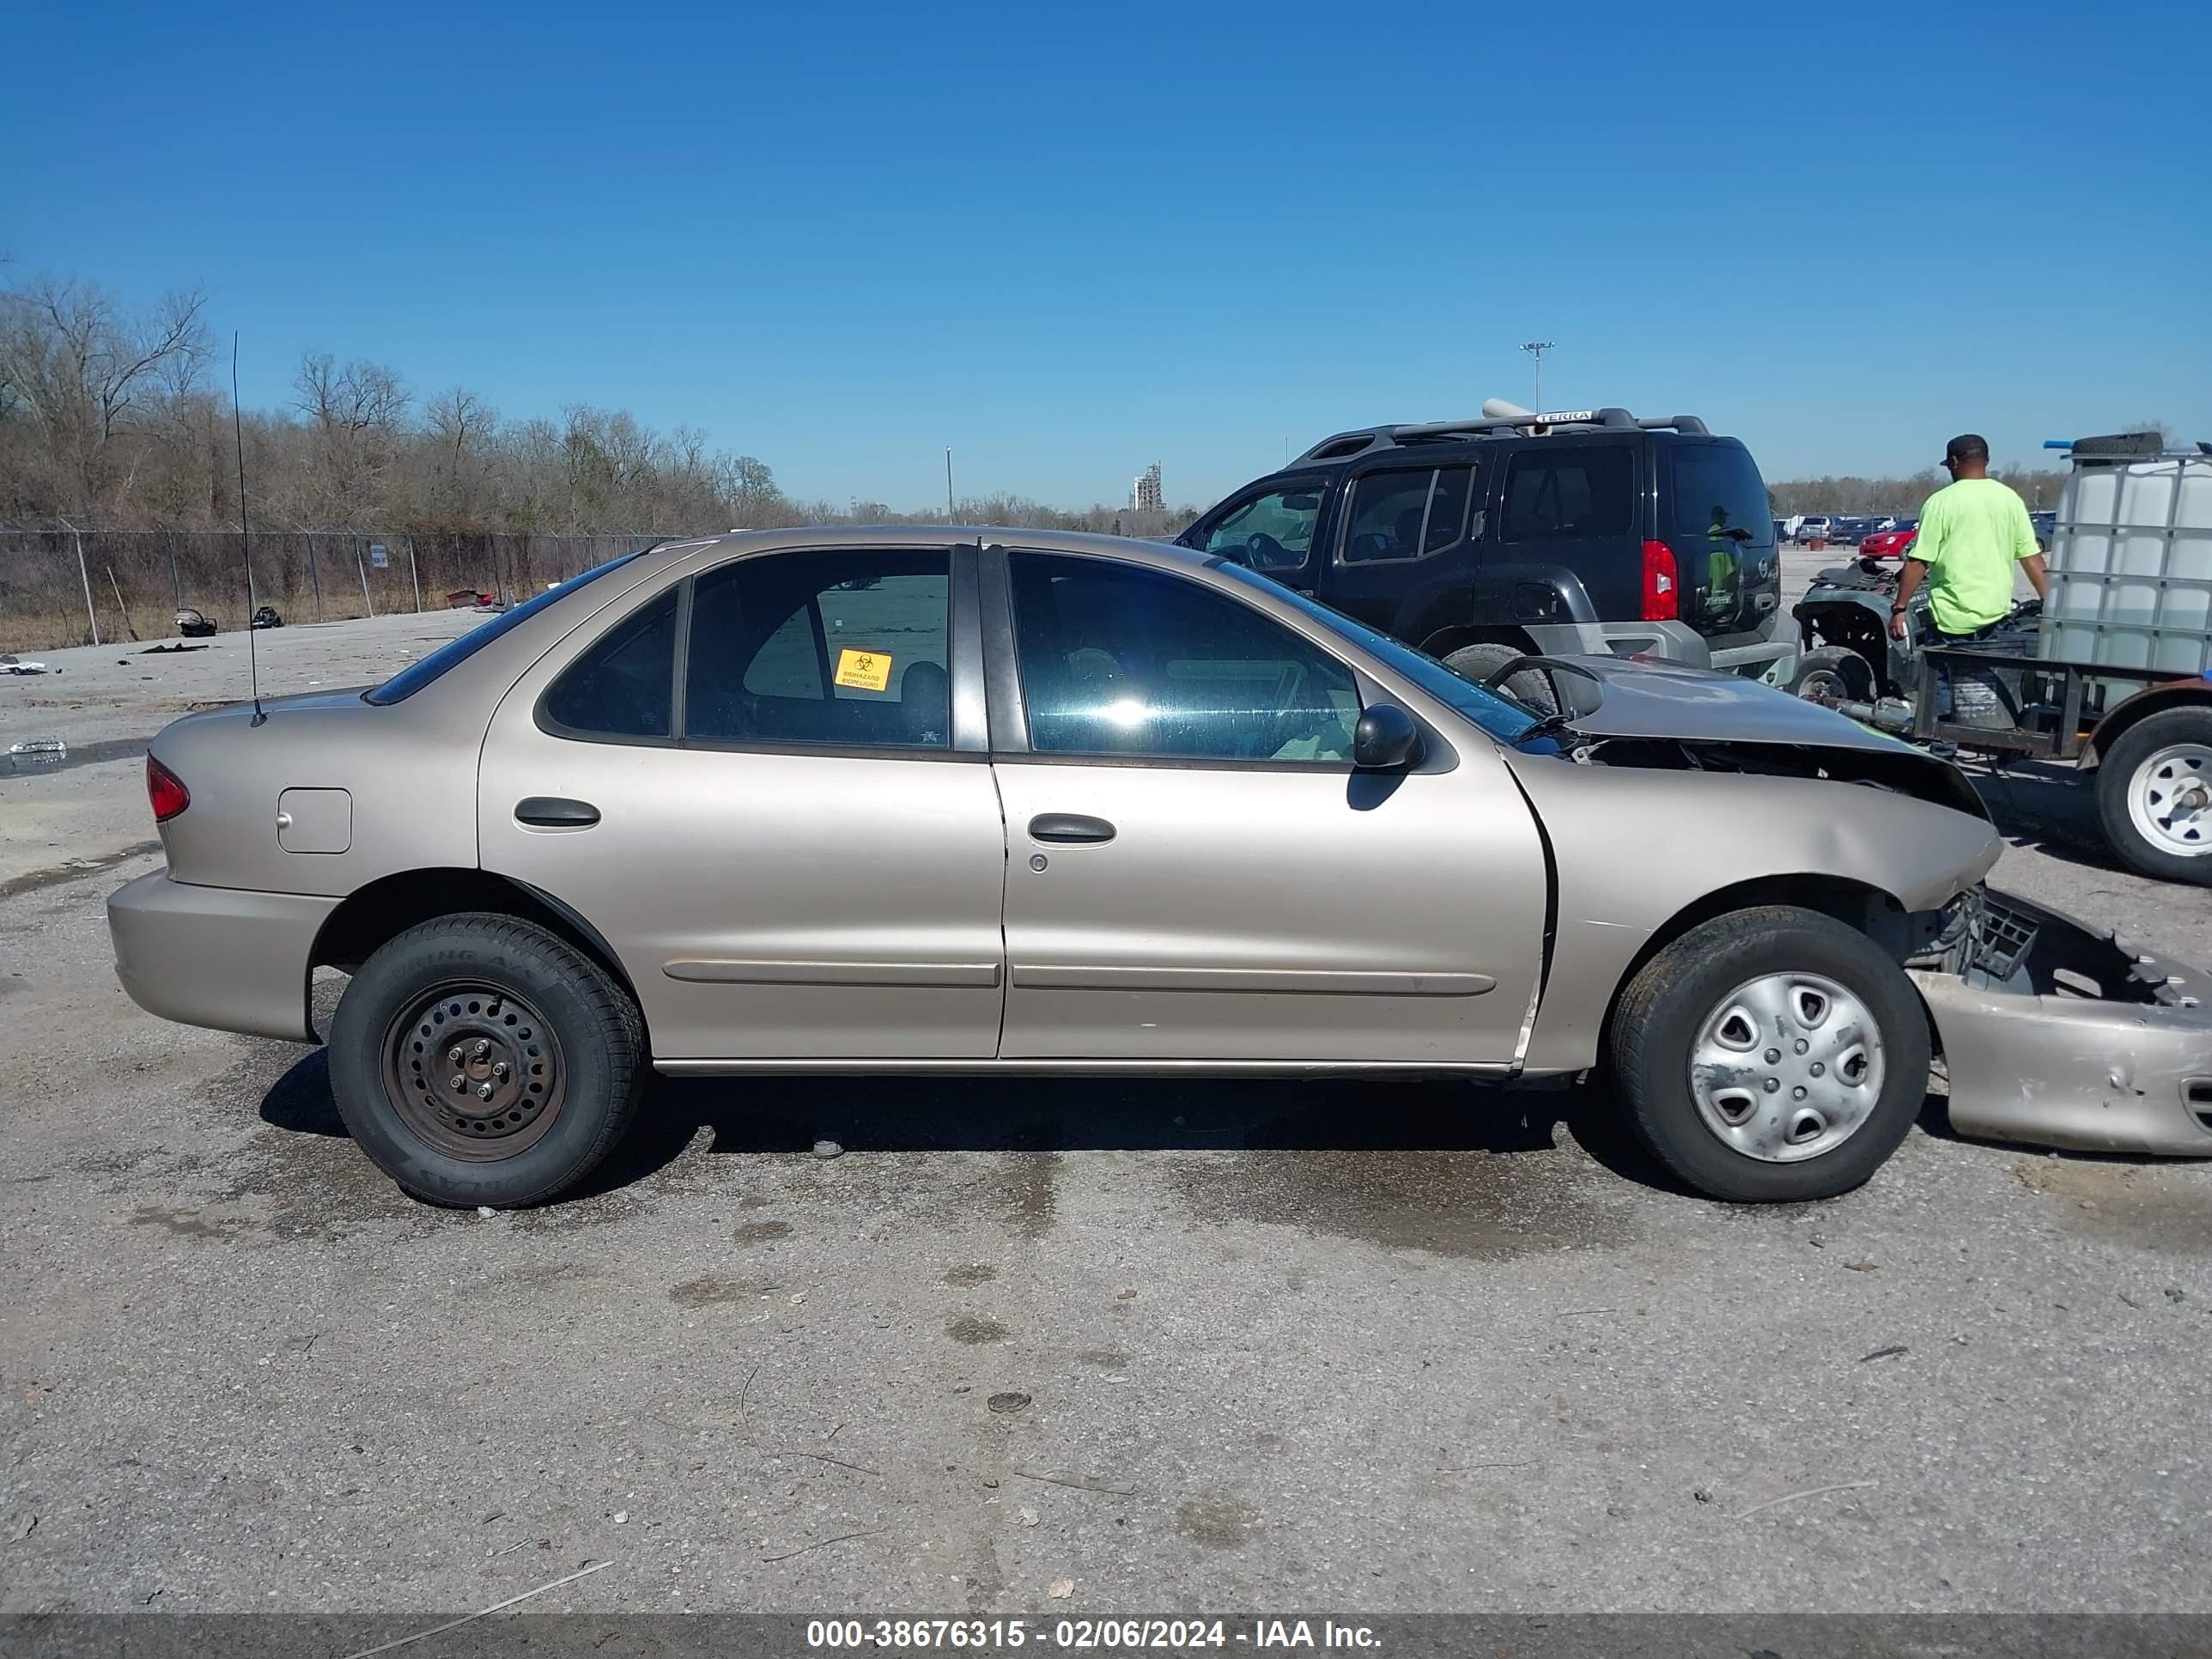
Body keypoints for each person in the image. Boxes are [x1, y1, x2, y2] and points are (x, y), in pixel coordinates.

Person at [1891, 434, 2049, 724]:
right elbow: (2031, 558)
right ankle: (1993, 735)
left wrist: (1899, 608)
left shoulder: (1941, 502)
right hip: (1996, 614)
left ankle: (1943, 745)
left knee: (1942, 682)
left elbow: (1918, 560)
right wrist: (2050, 606)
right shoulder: (2009, 499)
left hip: (1950, 618)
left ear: (1953, 463)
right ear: (1986, 461)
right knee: (1988, 683)